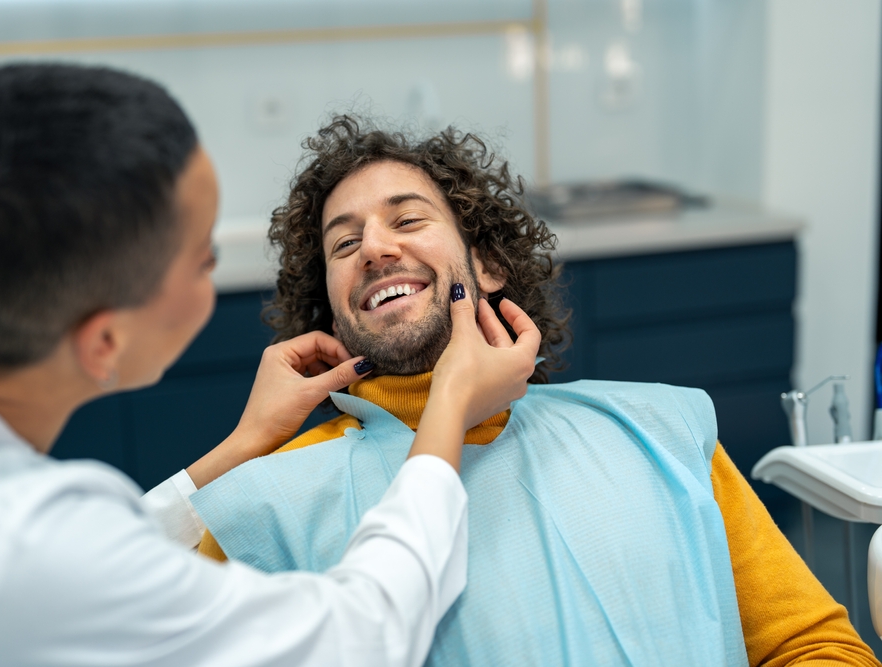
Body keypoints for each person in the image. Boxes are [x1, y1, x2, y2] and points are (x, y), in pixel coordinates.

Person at [0, 65, 542, 666]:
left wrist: (242, 444)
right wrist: (450, 405)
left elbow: (84, 565)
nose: (373, 249)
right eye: (203, 259)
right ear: (105, 342)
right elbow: (362, 634)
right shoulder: (24, 546)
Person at [193, 115, 881, 666]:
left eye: (407, 220)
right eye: (344, 245)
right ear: (332, 309)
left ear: (487, 265)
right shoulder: (264, 510)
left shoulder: (654, 432)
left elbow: (812, 645)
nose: (374, 247)